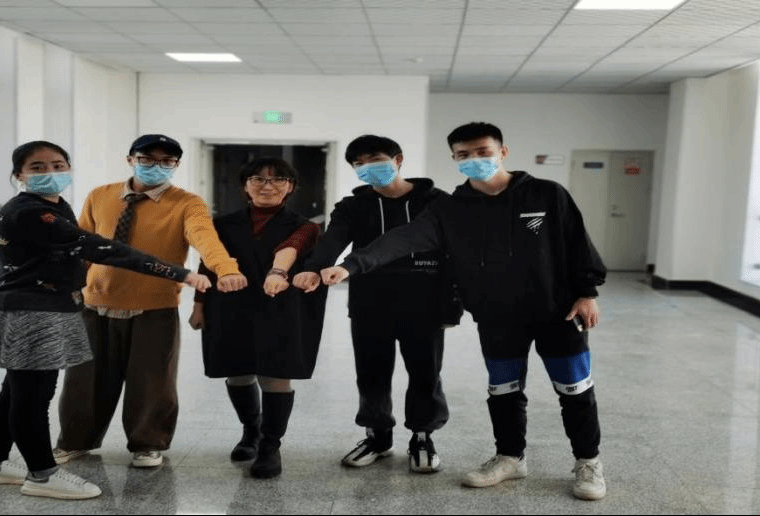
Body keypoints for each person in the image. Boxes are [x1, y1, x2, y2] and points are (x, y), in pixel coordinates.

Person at [319, 122, 609, 501]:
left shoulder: (546, 194)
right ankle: (510, 457)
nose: (474, 159)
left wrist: (587, 292)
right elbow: (402, 239)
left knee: (574, 389)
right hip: (497, 317)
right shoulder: (451, 208)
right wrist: (351, 266)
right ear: (454, 158)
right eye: (464, 154)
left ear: (502, 151)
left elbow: (577, 242)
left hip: (557, 312)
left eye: (483, 152)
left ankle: (588, 461)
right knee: (503, 391)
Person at [0, 140, 212, 500]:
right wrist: (181, 273)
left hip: (43, 306)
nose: (50, 173)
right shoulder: (31, 212)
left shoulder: (55, 205)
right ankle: (42, 475)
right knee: (33, 397)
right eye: (37, 167)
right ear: (19, 175)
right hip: (32, 312)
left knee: (14, 392)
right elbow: (102, 248)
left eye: (58, 165)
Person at [53, 134, 247, 469]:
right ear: (130, 159)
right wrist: (65, 287)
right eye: (147, 159)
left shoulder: (187, 203)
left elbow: (205, 239)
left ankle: (147, 443)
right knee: (83, 380)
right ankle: (74, 441)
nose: (156, 166)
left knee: (152, 381)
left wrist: (226, 269)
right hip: (95, 304)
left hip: (154, 307)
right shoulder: (100, 195)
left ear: (176, 165)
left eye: (166, 161)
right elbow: (81, 245)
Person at [291, 134, 461, 473]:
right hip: (370, 302)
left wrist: (451, 305)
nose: (369, 168)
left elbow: (453, 257)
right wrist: (313, 268)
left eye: (377, 160)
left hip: (424, 303)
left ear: (398, 160)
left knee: (426, 372)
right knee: (371, 374)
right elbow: (332, 241)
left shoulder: (437, 202)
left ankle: (423, 435)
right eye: (360, 164)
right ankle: (377, 435)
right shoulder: (353, 206)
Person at [188, 157, 328, 479]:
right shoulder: (222, 224)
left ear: (290, 187)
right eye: (258, 179)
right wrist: (198, 305)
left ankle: (270, 446)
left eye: (278, 179)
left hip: (281, 307)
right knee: (237, 371)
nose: (268, 186)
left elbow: (295, 250)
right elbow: (207, 263)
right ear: (245, 186)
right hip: (229, 304)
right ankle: (250, 430)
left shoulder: (306, 227)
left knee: (276, 373)